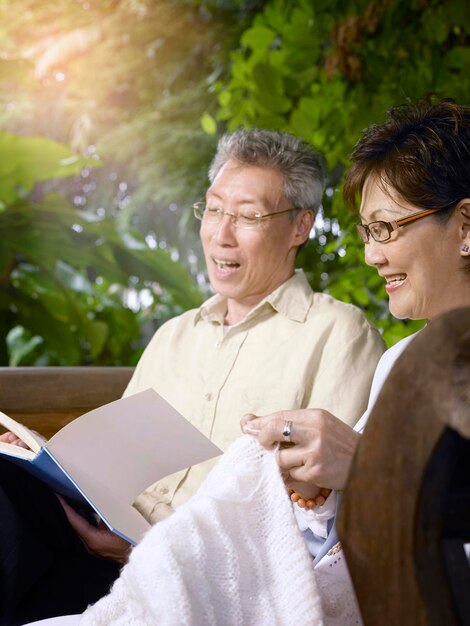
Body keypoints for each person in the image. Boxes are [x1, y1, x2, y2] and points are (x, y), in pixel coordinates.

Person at [0, 128, 384, 626]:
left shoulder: (338, 333)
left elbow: (321, 519)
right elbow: (118, 465)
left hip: (195, 576)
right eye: (215, 209)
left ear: (299, 227)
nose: (222, 234)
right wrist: (43, 455)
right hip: (93, 541)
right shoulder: (174, 335)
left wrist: (146, 549)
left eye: (247, 216)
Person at [238, 97, 470, 622]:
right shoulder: (400, 362)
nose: (372, 255)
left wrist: (369, 467)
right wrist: (317, 489)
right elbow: (343, 534)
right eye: (367, 232)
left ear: (464, 225)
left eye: (387, 228)